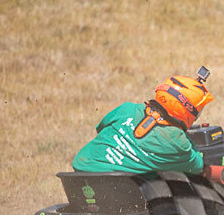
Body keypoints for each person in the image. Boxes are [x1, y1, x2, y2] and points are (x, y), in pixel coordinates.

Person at [72, 74, 214, 175]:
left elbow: (101, 128)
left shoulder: (127, 109)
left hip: (81, 172)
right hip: (123, 193)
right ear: (186, 111)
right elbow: (196, 166)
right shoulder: (178, 144)